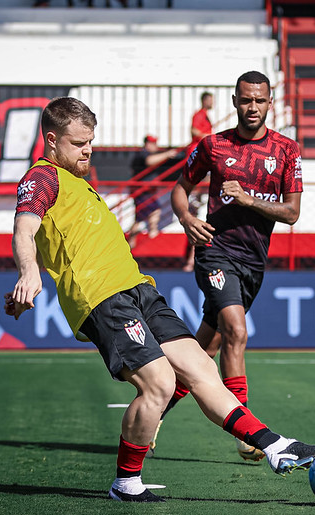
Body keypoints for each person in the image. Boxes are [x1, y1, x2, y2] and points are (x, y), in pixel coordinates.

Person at [4, 96, 315, 503]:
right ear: (51, 140)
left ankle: (276, 447)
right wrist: (27, 270)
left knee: (201, 371)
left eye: (91, 141)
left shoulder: (78, 180)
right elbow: (24, 229)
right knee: (159, 383)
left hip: (140, 289)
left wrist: (27, 279)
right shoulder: (43, 177)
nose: (88, 150)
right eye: (78, 143)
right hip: (102, 298)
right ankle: (126, 483)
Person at [165, 71, 304, 462]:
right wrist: (187, 219)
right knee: (236, 331)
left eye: (260, 100)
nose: (253, 107)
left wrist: (246, 200)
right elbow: (180, 188)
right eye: (246, 100)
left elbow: (291, 213)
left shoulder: (287, 151)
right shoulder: (213, 145)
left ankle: (156, 407)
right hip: (215, 251)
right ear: (234, 101)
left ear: (270, 101)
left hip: (253, 262)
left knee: (203, 350)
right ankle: (248, 433)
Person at [126, 135, 179, 249]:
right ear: (147, 144)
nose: (155, 146)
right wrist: (167, 154)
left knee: (142, 216)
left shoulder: (147, 154)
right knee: (151, 212)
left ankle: (134, 240)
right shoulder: (142, 154)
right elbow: (149, 161)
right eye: (152, 143)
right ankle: (151, 232)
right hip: (142, 191)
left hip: (146, 190)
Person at [183, 91, 214, 270]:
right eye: (210, 99)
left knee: (198, 217)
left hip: (201, 161)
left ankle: (190, 261)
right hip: (199, 158)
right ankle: (190, 261)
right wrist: (208, 138)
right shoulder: (199, 114)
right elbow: (194, 131)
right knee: (197, 217)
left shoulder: (205, 115)